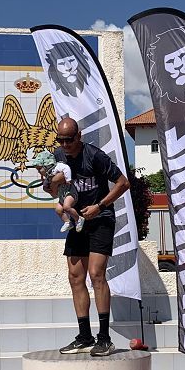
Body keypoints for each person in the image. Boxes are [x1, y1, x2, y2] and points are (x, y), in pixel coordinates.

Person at [53, 117, 130, 356]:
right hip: (77, 220)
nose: (65, 145)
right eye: (61, 140)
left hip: (100, 219)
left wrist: (100, 205)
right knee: (75, 276)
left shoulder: (95, 155)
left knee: (96, 274)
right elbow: (55, 187)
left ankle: (104, 338)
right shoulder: (59, 156)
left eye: (69, 139)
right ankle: (84, 336)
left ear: (79, 136)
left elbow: (123, 183)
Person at [27, 150, 83, 233]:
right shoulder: (48, 174)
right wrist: (46, 186)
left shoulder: (57, 167)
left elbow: (66, 168)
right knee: (58, 210)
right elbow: (52, 190)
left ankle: (78, 219)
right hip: (61, 195)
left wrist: (68, 179)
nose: (39, 171)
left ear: (46, 165)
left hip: (69, 192)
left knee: (67, 207)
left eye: (39, 169)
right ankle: (67, 222)